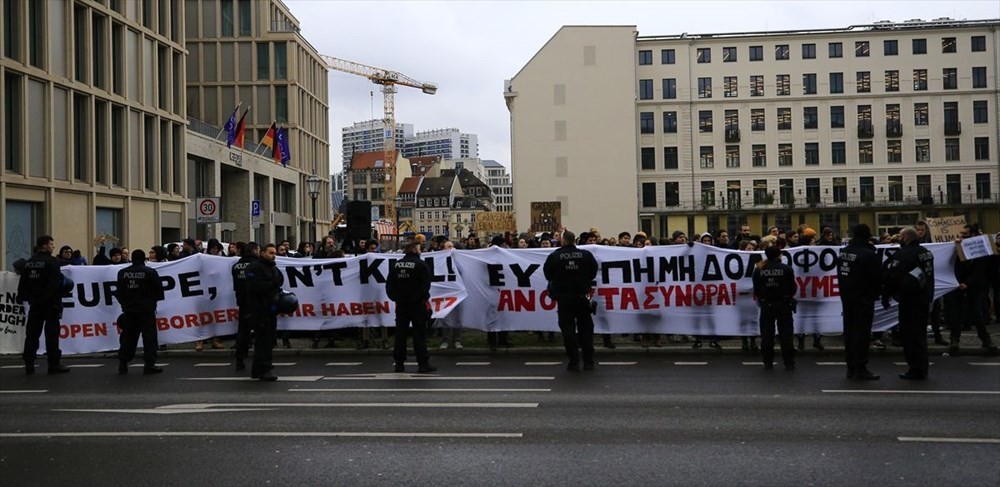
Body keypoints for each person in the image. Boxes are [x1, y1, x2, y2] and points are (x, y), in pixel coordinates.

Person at [882, 227, 935, 380]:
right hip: (924, 298)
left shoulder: (905, 254)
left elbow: (893, 276)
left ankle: (915, 368)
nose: (898, 239)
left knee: (910, 336)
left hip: (910, 300)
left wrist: (887, 294)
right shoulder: (925, 252)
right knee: (920, 335)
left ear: (906, 238)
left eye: (900, 236)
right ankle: (922, 367)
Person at [543, 230, 599, 372]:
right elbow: (593, 272)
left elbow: (548, 274)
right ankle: (589, 361)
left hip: (564, 299)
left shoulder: (555, 256)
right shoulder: (586, 255)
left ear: (562, 240)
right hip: (582, 297)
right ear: (574, 240)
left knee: (568, 331)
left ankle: (573, 361)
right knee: (586, 329)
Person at [16, 236, 71, 375]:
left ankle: (29, 363)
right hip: (50, 304)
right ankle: (53, 364)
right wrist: (46, 298)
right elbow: (54, 284)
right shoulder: (52, 262)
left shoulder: (29, 262)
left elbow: (23, 284)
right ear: (45, 246)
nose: (53, 246)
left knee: (32, 334)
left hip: (35, 305)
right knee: (51, 335)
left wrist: (27, 298)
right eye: (51, 244)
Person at [835, 224, 882, 380]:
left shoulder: (844, 252)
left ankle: (851, 366)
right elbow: (876, 278)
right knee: (862, 334)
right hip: (863, 298)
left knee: (849, 333)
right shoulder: (869, 255)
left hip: (847, 298)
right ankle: (860, 367)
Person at [945, 225, 999, 355]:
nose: (962, 236)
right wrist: (959, 282)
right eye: (961, 234)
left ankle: (986, 340)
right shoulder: (956, 247)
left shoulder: (982, 249)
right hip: (957, 285)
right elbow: (951, 265)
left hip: (974, 286)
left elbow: (981, 269)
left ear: (974, 235)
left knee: (976, 313)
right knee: (955, 314)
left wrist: (968, 283)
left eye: (965, 234)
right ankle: (954, 340)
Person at [386, 240, 436, 373]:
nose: (421, 251)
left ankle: (399, 363)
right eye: (419, 249)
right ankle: (422, 363)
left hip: (401, 305)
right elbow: (425, 286)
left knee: (400, 334)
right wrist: (416, 298)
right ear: (415, 250)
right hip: (417, 305)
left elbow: (389, 285)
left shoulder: (396, 265)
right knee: (419, 334)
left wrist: (397, 298)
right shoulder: (421, 265)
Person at [115, 249, 165, 375]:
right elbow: (159, 291)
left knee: (128, 337)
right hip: (146, 311)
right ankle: (149, 364)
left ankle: (123, 363)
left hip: (129, 311)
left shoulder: (122, 273)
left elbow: (119, 292)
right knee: (149, 339)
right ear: (144, 259)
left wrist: (125, 304)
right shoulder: (150, 272)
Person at [752, 246, 798, 371]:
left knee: (767, 335)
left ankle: (768, 361)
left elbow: (756, 290)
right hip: (783, 305)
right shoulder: (787, 269)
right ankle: (789, 362)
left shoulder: (759, 270)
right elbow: (792, 288)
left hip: (766, 305)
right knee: (786, 335)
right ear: (779, 255)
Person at [245, 243, 284, 381]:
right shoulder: (255, 267)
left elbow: (280, 279)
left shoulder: (272, 267)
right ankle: (264, 368)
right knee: (263, 341)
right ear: (262, 253)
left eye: (274, 253)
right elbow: (253, 286)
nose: (274, 256)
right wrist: (271, 284)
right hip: (259, 309)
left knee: (268, 340)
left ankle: (259, 369)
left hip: (270, 309)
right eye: (270, 253)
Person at [232, 242, 260, 371]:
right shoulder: (258, 265)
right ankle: (260, 361)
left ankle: (240, 359)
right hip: (256, 302)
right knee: (261, 332)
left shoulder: (237, 265)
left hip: (242, 302)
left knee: (243, 332)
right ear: (254, 250)